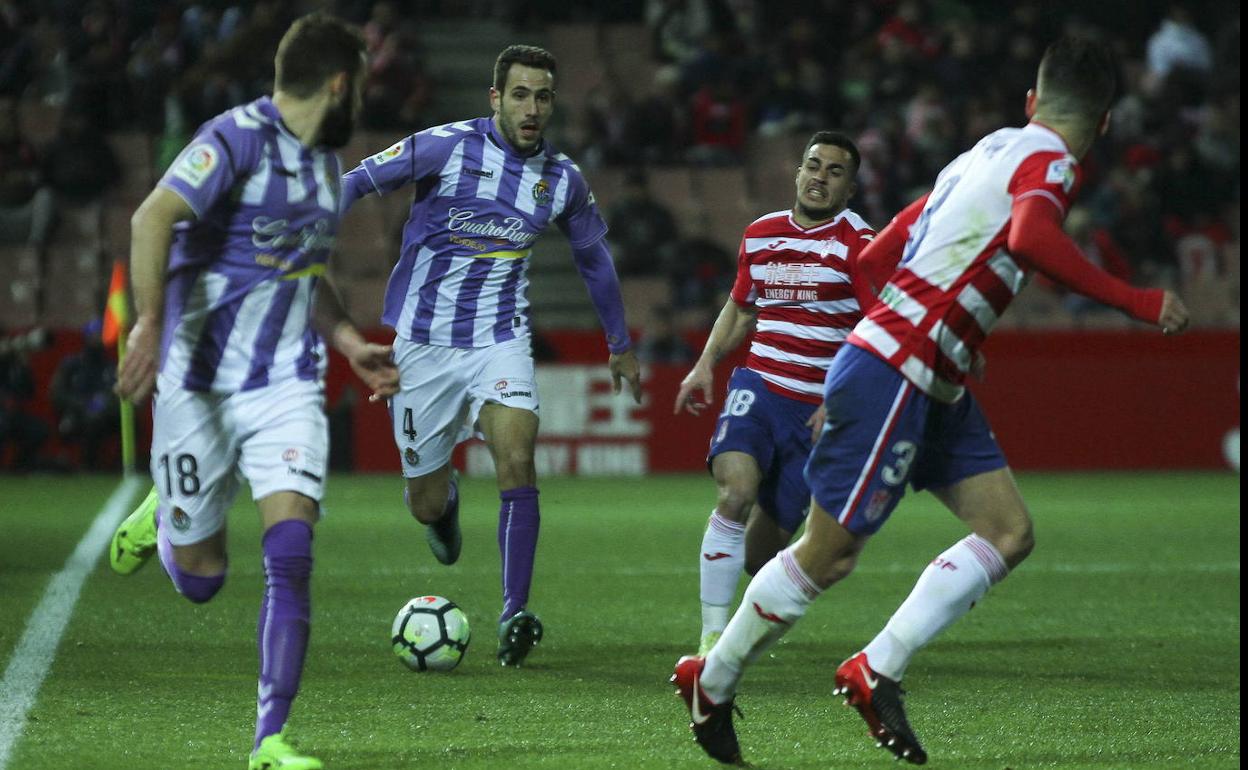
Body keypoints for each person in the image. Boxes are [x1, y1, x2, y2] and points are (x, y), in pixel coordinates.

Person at [672, 35, 1190, 766]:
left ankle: (875, 669)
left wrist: (941, 325)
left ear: (1031, 101)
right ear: (1104, 122)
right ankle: (712, 679)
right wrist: (1137, 301)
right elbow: (1032, 236)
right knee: (830, 553)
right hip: (899, 370)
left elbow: (880, 253)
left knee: (1008, 531)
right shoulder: (1052, 163)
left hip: (928, 373)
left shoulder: (985, 151)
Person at [107, 14, 399, 770]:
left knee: (293, 545)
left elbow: (307, 275)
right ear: (339, 83)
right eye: (361, 86)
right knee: (202, 581)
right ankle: (168, 527)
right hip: (197, 383)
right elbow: (152, 218)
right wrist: (147, 326)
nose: (362, 102)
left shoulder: (328, 171)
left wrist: (347, 344)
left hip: (285, 383)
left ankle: (269, 738)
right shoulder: (233, 139)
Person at [339, 44, 642, 667]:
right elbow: (357, 182)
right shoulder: (444, 146)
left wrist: (619, 343)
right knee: (423, 499)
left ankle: (514, 613)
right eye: (522, 95)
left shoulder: (563, 179)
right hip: (422, 347)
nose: (534, 109)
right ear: (496, 99)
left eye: (545, 97)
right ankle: (443, 507)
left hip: (499, 340)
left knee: (517, 457)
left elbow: (593, 259)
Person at [672, 131, 875, 657]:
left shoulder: (861, 246)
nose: (819, 177)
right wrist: (705, 364)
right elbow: (741, 308)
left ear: (850, 188)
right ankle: (711, 640)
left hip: (820, 412)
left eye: (834, 171)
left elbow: (881, 327)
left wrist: (843, 397)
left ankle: (742, 631)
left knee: (761, 556)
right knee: (734, 492)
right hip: (761, 386)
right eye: (813, 165)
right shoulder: (761, 234)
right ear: (797, 171)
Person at [50, 319, 118, 469]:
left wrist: (105, 402)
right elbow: (57, 393)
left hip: (105, 414)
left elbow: (118, 391)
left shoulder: (110, 366)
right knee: (90, 420)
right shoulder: (71, 365)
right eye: (94, 335)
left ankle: (116, 464)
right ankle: (87, 465)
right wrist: (81, 404)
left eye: (101, 335)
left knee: (121, 419)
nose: (97, 340)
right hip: (76, 413)